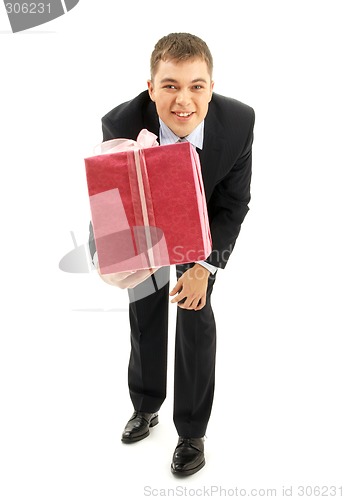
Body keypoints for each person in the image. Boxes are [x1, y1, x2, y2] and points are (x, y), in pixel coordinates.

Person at [89, 32, 255, 476]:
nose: (184, 100)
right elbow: (114, 196)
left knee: (195, 313)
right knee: (143, 304)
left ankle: (192, 432)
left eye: (196, 86)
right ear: (151, 87)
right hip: (148, 217)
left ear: (211, 88)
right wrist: (115, 250)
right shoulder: (119, 123)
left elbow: (233, 204)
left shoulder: (239, 123)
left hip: (203, 223)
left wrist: (203, 266)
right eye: (170, 86)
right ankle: (145, 405)